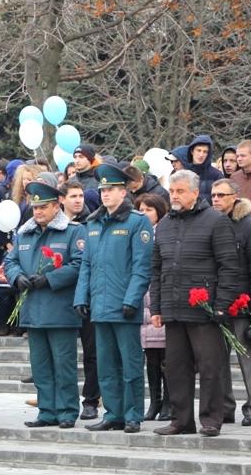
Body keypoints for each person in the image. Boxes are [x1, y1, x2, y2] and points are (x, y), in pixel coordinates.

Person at [151, 170, 239, 437]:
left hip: (205, 310)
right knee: (176, 367)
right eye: (171, 191)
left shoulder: (215, 221)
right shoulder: (165, 224)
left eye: (179, 191)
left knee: (210, 367)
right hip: (174, 309)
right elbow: (156, 269)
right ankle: (181, 420)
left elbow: (228, 266)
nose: (174, 196)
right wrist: (157, 308)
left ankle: (212, 419)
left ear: (194, 192)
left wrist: (221, 304)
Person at [74, 165, 153, 434]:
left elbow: (142, 266)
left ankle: (133, 414)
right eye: (102, 190)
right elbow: (86, 264)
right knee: (105, 364)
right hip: (100, 305)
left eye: (110, 190)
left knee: (130, 364)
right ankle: (114, 413)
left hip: (123, 306)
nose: (105, 194)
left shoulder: (136, 222)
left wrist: (132, 299)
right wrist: (81, 297)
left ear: (123, 192)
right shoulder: (93, 223)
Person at [4, 182, 86, 428]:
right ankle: (47, 410)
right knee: (40, 366)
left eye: (43, 207)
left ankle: (68, 411)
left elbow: (80, 263)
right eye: (35, 207)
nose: (37, 212)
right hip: (33, 309)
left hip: (60, 310)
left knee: (64, 365)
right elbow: (10, 260)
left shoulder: (73, 232)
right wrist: (17, 277)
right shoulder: (25, 233)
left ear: (56, 206)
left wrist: (50, 279)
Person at [210, 179, 251, 426]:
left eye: (221, 195)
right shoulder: (210, 225)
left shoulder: (250, 227)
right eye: (213, 195)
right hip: (217, 303)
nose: (215, 199)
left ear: (234, 197)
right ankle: (226, 408)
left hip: (243, 304)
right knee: (218, 359)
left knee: (248, 359)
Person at [59, 180, 98, 418]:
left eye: (81, 195)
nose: (78, 200)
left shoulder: (91, 224)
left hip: (88, 296)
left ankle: (91, 399)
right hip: (61, 296)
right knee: (63, 354)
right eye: (73, 196)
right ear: (61, 199)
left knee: (92, 351)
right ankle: (60, 399)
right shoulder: (54, 226)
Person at [135, 194, 173, 421]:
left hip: (161, 300)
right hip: (143, 300)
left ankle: (170, 402)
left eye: (149, 209)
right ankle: (155, 402)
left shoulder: (166, 233)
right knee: (151, 358)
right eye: (141, 209)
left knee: (167, 358)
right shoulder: (138, 235)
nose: (144, 213)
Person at [184, 134, 223, 203]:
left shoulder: (217, 175)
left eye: (205, 152)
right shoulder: (184, 173)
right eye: (199, 150)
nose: (201, 155)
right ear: (192, 151)